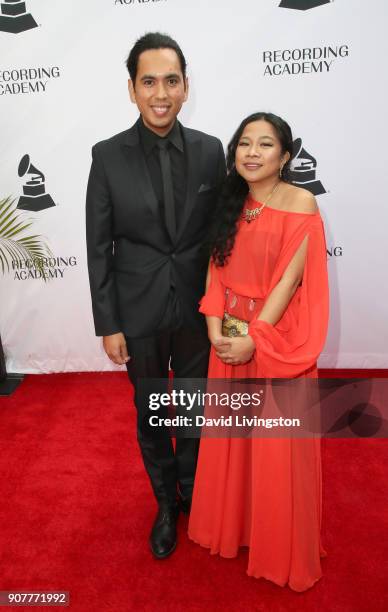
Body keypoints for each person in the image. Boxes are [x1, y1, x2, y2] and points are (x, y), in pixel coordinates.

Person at [86, 32, 226, 560]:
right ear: (131, 89)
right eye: (149, 81)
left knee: (190, 408)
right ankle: (165, 504)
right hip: (137, 310)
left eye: (171, 80)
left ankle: (192, 494)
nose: (160, 92)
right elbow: (98, 246)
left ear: (186, 87)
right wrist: (108, 323)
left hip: (197, 309)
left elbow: (223, 235)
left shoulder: (213, 151)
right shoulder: (106, 156)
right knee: (153, 413)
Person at [188, 112, 329, 592]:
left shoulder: (301, 202)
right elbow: (215, 269)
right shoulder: (230, 202)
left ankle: (277, 544)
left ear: (285, 155)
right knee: (234, 442)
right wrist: (214, 330)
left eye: (265, 144)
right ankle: (237, 527)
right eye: (244, 143)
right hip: (227, 338)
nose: (251, 152)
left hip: (273, 340)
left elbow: (291, 280)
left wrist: (255, 336)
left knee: (275, 449)